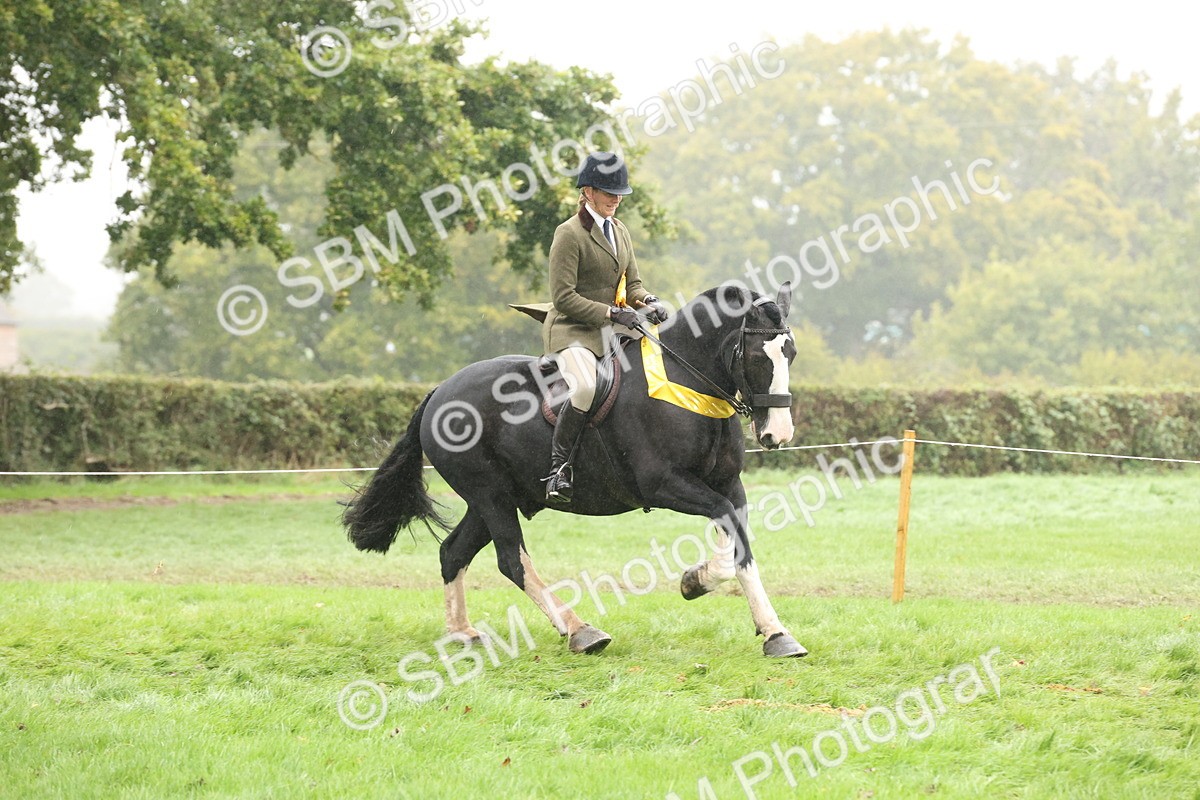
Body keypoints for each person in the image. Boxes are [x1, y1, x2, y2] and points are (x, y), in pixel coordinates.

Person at [542, 151, 670, 502]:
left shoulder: (620, 230)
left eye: (619, 194)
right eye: (608, 192)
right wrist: (613, 315)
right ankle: (559, 469)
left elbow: (634, 286)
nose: (616, 199)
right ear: (587, 191)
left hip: (615, 328)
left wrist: (649, 302)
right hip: (574, 329)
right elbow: (563, 297)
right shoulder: (568, 234)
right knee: (585, 387)